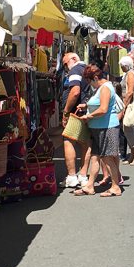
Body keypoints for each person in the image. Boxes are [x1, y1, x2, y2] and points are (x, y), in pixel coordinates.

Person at [73, 65, 122, 197]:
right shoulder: (101, 88)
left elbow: (103, 109)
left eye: (90, 81)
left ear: (95, 78)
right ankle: (90, 186)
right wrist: (87, 105)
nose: (90, 84)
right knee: (95, 157)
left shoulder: (105, 88)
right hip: (99, 128)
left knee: (107, 157)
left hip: (106, 127)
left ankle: (116, 186)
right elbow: (98, 103)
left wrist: (88, 116)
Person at [60, 52, 91, 189]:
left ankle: (72, 177)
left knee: (69, 140)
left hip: (76, 111)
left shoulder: (75, 70)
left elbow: (75, 92)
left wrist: (66, 111)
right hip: (87, 110)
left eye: (65, 64)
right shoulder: (88, 69)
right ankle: (83, 175)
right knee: (85, 143)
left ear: (73, 59)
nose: (66, 68)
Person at [119, 55, 134, 166]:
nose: (121, 67)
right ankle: (133, 154)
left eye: (122, 65)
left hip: (131, 103)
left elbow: (130, 92)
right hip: (131, 102)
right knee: (127, 129)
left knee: (128, 128)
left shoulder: (130, 74)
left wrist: (123, 106)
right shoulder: (130, 73)